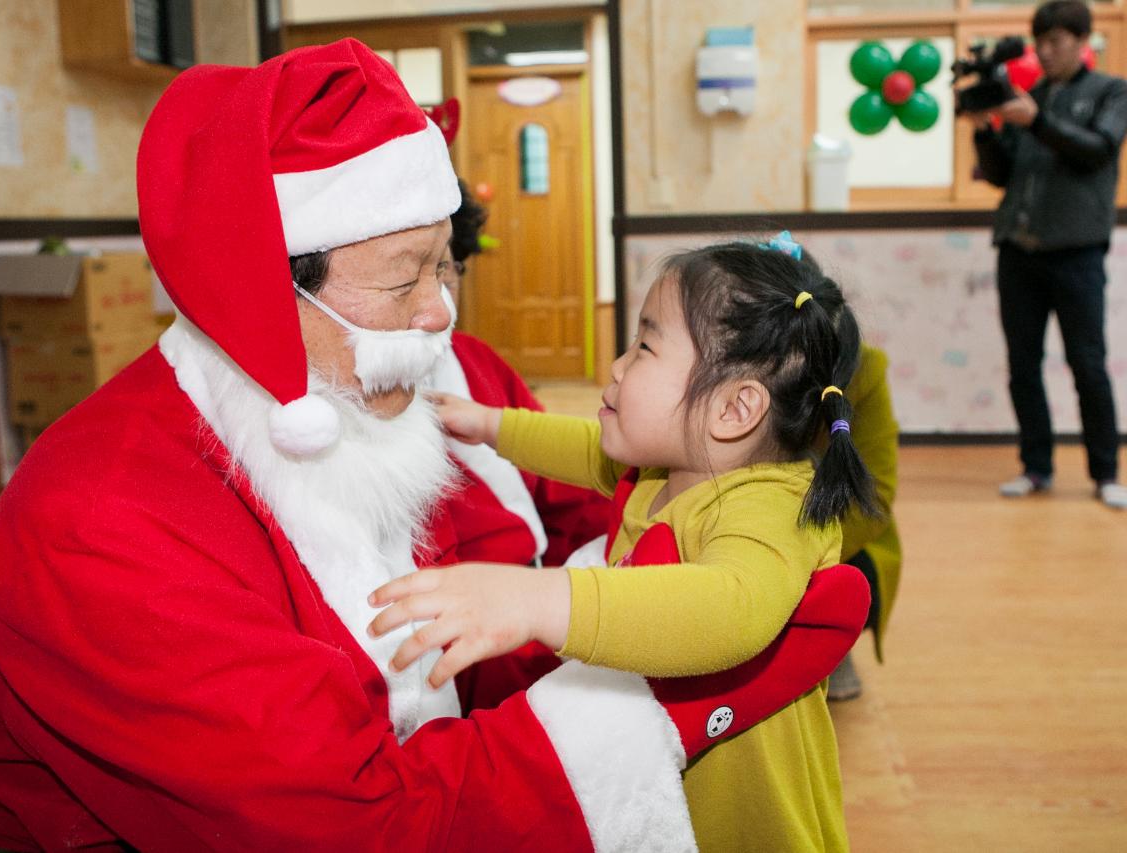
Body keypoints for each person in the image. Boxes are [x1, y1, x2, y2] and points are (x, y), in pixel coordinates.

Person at [0, 42, 868, 851]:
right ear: (261, 291)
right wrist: (676, 693)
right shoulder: (103, 524)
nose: (441, 313)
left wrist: (600, 610)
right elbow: (345, 828)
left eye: (444, 267)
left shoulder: (340, 412)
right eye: (403, 280)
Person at [371, 235, 875, 851]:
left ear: (734, 409)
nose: (617, 365)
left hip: (745, 829)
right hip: (656, 791)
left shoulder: (772, 505)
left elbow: (730, 608)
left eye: (644, 346)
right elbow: (585, 447)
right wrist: (489, 424)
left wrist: (538, 599)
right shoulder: (663, 469)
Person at [970, 0, 1127, 509]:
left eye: (1056, 40)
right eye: (1041, 40)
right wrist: (983, 129)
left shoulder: (1111, 92)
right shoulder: (1029, 97)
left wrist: (1035, 121)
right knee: (1023, 365)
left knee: (1088, 363)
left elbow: (1098, 148)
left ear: (1083, 42)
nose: (1045, 49)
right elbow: (1001, 175)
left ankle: (1106, 473)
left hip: (1077, 252)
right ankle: (1035, 468)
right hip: (1018, 250)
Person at [428, 179, 611, 567]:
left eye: (448, 269)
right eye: (412, 277)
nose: (438, 299)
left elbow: (555, 480)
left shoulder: (474, 358)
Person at [824, 343, 902, 701]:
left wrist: (807, 553)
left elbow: (877, 495)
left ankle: (828, 645)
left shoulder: (866, 370)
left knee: (852, 582)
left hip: (840, 543)